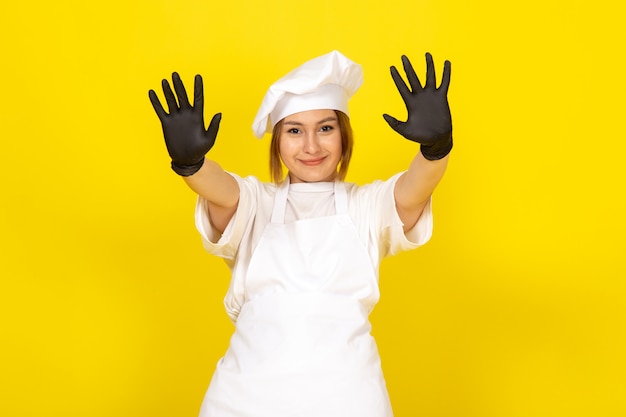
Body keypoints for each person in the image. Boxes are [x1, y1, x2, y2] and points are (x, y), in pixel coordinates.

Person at [148, 50, 452, 417]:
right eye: (295, 131)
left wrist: (435, 151)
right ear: (277, 140)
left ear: (344, 135)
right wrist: (191, 165)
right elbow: (218, 189)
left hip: (349, 395)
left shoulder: (367, 206)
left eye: (325, 128)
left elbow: (413, 190)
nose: (311, 146)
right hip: (246, 397)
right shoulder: (255, 203)